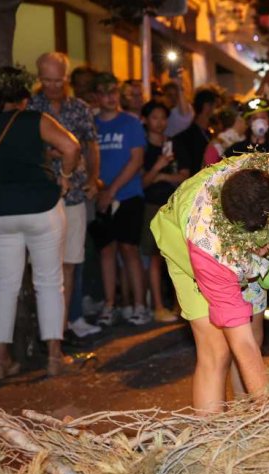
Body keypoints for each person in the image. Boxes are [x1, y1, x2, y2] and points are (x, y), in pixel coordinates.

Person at [151, 150, 269, 413]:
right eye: (249, 240)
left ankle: (245, 417)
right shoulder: (209, 250)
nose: (259, 246)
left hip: (233, 246)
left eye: (264, 236)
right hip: (184, 241)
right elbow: (241, 342)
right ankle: (213, 434)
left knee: (255, 335)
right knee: (216, 350)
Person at [0, 66, 81, 377]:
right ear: (23, 97)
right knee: (50, 282)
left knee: (3, 285)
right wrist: (65, 177)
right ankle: (54, 356)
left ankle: (0, 360)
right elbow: (71, 146)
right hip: (41, 208)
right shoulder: (35, 120)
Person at [29, 52, 102, 339]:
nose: (52, 86)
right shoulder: (30, 107)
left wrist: (94, 179)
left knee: (70, 262)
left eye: (57, 80)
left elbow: (91, 145)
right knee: (43, 266)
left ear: (66, 78)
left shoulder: (79, 108)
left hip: (74, 196)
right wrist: (50, 153)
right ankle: (43, 330)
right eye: (46, 80)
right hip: (40, 197)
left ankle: (61, 330)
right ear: (39, 78)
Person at [90, 73, 149, 327]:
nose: (110, 98)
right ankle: (110, 304)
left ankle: (140, 305)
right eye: (104, 93)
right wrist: (98, 189)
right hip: (100, 196)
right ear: (96, 96)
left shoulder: (130, 123)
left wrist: (111, 190)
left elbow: (136, 160)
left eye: (113, 92)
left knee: (129, 249)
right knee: (106, 250)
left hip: (128, 194)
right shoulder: (92, 125)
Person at [140, 101, 188, 322]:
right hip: (152, 206)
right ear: (145, 120)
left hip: (175, 205)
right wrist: (158, 167)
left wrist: (162, 176)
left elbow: (185, 177)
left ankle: (181, 305)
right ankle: (158, 306)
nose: (159, 122)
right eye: (155, 118)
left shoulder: (175, 144)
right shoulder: (142, 148)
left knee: (178, 256)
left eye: (163, 117)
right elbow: (143, 182)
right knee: (154, 257)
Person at [172, 85, 222, 177]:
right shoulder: (186, 137)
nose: (217, 111)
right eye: (216, 106)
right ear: (207, 106)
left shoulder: (208, 132)